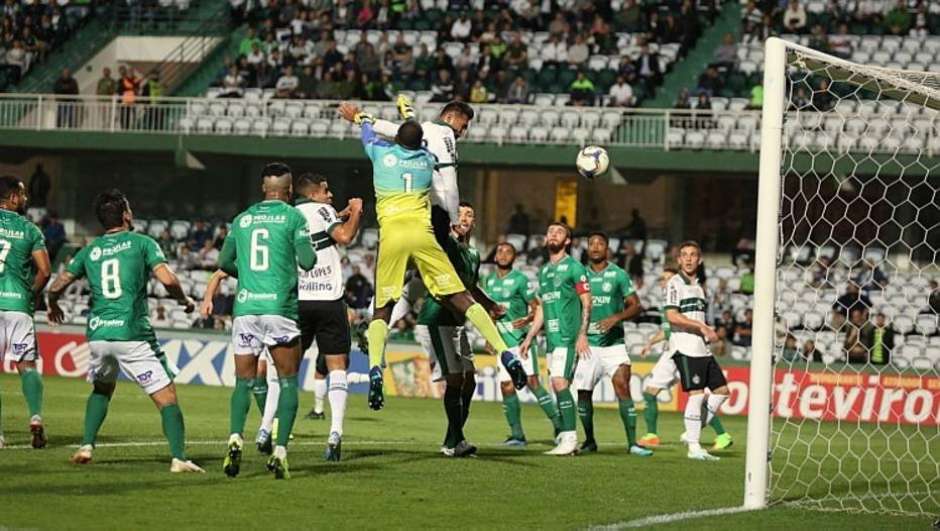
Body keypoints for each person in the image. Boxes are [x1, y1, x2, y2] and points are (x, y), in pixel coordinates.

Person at [337, 104, 525, 413]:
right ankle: (506, 353)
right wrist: (453, 219)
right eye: (463, 124)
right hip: (424, 233)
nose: (463, 131)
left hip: (393, 237)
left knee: (383, 308)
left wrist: (360, 118)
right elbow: (444, 179)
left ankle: (374, 368)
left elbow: (375, 133)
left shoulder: (381, 155)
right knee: (462, 296)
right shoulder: (427, 160)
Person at [47, 189, 203, 472]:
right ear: (126, 215)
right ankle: (179, 458)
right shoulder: (142, 243)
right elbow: (167, 280)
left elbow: (59, 283)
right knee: (167, 396)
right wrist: (185, 300)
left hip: (98, 336)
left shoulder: (89, 250)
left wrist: (52, 303)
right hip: (131, 333)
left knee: (102, 388)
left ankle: (86, 445)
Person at [217, 162, 317, 480]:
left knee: (243, 382)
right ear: (289, 191)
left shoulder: (242, 219)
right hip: (280, 309)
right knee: (287, 382)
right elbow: (308, 260)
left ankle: (235, 439)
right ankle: (280, 452)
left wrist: (246, 274)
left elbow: (223, 262)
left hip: (246, 309)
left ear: (263, 188)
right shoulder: (293, 217)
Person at [291, 173, 362, 460]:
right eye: (326, 190)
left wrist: (339, 214)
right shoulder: (324, 210)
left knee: (285, 368)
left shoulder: (291, 214)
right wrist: (355, 212)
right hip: (328, 300)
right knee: (337, 367)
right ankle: (335, 432)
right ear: (314, 194)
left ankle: (268, 429)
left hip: (298, 300)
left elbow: (317, 230)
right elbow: (344, 236)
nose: (331, 195)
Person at [572, 233, 651, 456]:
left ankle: (632, 443)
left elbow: (636, 305)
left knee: (623, 387)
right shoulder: (580, 275)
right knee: (583, 394)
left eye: (600, 244)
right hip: (588, 345)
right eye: (592, 244)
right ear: (587, 249)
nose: (596, 247)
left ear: (607, 249)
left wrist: (616, 318)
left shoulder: (618, 274)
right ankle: (589, 441)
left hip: (614, 345)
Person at [415, 203, 484, 457]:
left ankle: (451, 440)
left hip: (457, 322)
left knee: (469, 382)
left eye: (470, 214)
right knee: (456, 379)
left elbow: (471, 289)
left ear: (474, 223)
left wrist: (492, 307)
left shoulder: (474, 254)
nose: (465, 217)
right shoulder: (446, 245)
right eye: (460, 213)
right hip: (437, 318)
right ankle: (457, 440)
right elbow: (439, 235)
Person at [637, 267, 732, 450]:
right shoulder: (668, 301)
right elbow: (667, 329)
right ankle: (720, 434)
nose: (663, 282)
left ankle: (654, 435)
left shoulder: (678, 298)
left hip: (678, 350)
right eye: (662, 279)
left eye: (666, 278)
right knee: (691, 395)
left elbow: (669, 329)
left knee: (692, 395)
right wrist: (650, 343)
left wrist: (652, 342)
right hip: (675, 348)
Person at [519, 222, 593, 456]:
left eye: (559, 232)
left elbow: (587, 301)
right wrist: (530, 336)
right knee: (560, 387)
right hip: (551, 339)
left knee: (559, 383)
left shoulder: (574, 267)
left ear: (568, 241)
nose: (553, 234)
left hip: (568, 338)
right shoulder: (544, 271)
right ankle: (566, 435)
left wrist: (582, 334)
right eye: (550, 231)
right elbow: (542, 306)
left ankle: (569, 438)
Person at [482, 241, 561, 447]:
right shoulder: (488, 280)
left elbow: (537, 307)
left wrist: (526, 320)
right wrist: (489, 337)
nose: (503, 254)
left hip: (521, 341)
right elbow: (488, 312)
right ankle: (517, 435)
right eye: (500, 250)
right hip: (502, 344)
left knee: (533, 383)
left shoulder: (520, 280)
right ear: (495, 256)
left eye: (508, 252)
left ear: (514, 258)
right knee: (507, 387)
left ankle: (559, 426)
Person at [0, 176, 51, 450]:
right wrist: (30, 294)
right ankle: (35, 416)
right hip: (19, 305)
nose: (26, 198)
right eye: (22, 194)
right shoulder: (30, 230)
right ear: (11, 198)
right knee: (27, 366)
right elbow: (45, 270)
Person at [666, 241, 730, 460]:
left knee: (721, 391)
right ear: (679, 260)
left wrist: (708, 332)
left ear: (699, 259)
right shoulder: (675, 283)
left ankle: (691, 431)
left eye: (693, 255)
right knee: (697, 395)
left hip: (701, 348)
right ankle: (694, 446)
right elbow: (672, 316)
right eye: (684, 255)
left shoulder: (701, 286)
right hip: (684, 346)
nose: (689, 258)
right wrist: (702, 327)